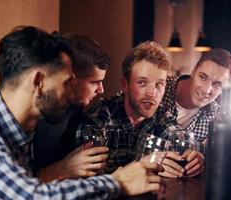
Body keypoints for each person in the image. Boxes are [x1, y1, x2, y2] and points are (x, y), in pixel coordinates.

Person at [0, 26, 163, 199]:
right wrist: (118, 182)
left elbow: (26, 181)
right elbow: (32, 196)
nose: (71, 94)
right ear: (38, 82)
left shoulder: (22, 125)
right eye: (67, 82)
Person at [75, 41, 201, 178]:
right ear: (124, 85)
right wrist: (142, 165)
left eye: (159, 84)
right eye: (142, 83)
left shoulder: (160, 114)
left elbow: (180, 137)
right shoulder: (97, 120)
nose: (152, 93)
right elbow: (89, 184)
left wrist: (195, 156)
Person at [33, 34, 111, 181]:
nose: (101, 90)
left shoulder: (75, 105)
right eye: (95, 82)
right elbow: (13, 187)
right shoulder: (29, 110)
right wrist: (64, 169)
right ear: (70, 77)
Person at [160, 48, 231, 178]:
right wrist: (208, 152)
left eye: (217, 84)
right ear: (193, 70)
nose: (207, 90)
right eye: (203, 77)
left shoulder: (216, 113)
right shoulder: (160, 87)